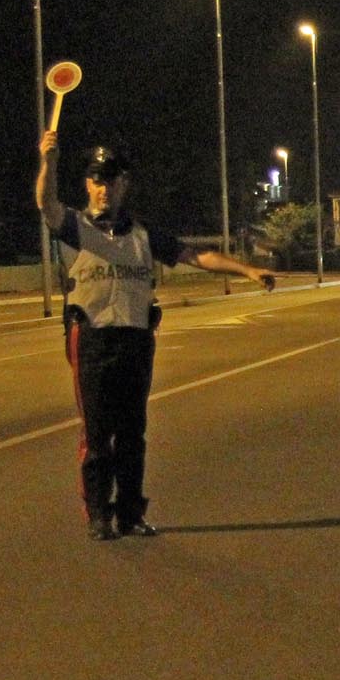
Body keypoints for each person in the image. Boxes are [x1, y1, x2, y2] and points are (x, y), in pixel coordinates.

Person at [36, 129, 275, 541]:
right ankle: (98, 515)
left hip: (135, 340)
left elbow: (195, 255)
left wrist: (247, 270)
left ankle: (130, 513)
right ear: (87, 184)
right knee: (96, 434)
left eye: (111, 179)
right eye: (96, 179)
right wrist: (49, 161)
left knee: (132, 434)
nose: (103, 187)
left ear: (124, 183)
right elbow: (46, 202)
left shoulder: (144, 236)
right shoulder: (74, 227)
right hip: (91, 339)